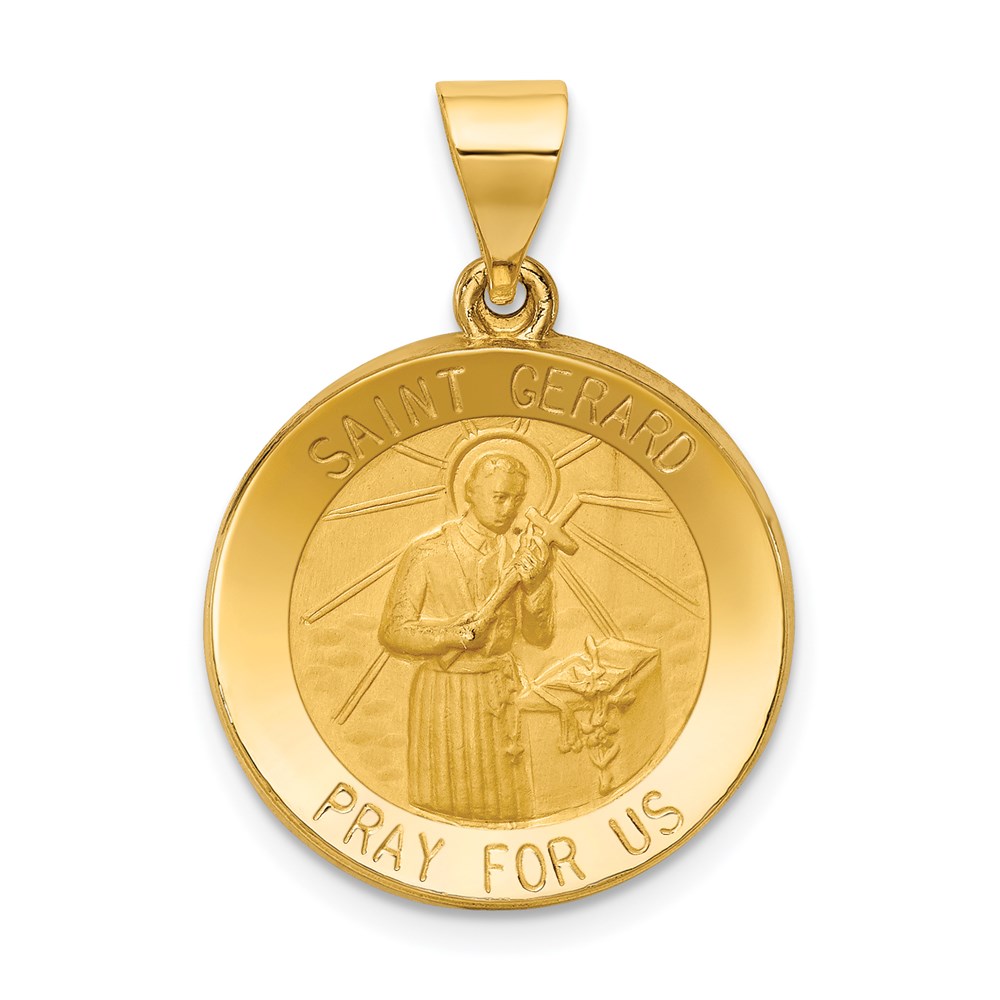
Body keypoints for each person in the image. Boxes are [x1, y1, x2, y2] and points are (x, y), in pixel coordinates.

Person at [379, 451, 555, 822]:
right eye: (499, 497)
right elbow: (394, 631)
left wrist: (536, 586)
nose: (509, 509)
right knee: (449, 805)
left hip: (501, 690)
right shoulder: (428, 552)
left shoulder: (521, 556)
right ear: (470, 494)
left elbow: (539, 637)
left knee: (508, 806)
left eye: (517, 499)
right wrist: (452, 635)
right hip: (447, 693)